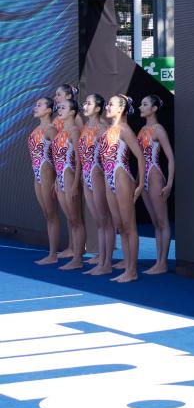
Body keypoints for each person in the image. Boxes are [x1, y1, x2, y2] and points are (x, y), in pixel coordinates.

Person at [98, 94, 145, 283]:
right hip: (109, 178)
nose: (107, 107)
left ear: (121, 109)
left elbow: (140, 157)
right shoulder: (109, 129)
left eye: (111, 104)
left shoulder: (124, 129)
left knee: (128, 226)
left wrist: (140, 184)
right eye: (107, 104)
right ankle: (127, 267)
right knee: (119, 225)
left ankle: (132, 271)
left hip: (121, 176)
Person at [78, 94, 115, 276]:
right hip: (87, 175)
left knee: (105, 220)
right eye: (84, 102)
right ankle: (101, 261)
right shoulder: (86, 126)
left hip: (98, 174)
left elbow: (110, 156)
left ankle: (107, 263)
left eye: (89, 103)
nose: (85, 105)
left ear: (98, 108)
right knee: (99, 222)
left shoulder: (102, 128)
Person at [138, 95, 175, 274]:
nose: (140, 107)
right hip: (144, 177)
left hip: (154, 175)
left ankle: (162, 263)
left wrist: (169, 184)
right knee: (155, 222)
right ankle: (158, 261)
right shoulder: (142, 129)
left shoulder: (158, 130)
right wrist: (138, 182)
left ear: (154, 108)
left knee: (162, 221)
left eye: (145, 104)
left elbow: (171, 158)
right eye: (141, 104)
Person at [52, 99, 85, 270]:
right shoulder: (61, 131)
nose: (59, 109)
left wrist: (75, 184)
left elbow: (79, 160)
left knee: (76, 220)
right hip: (61, 177)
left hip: (70, 176)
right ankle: (74, 255)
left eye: (63, 108)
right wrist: (56, 179)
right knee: (71, 220)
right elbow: (57, 158)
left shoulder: (74, 131)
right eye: (59, 107)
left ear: (72, 112)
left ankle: (78, 259)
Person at [27, 98, 60, 265]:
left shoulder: (51, 130)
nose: (35, 108)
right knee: (47, 214)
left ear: (49, 110)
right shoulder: (36, 129)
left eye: (39, 105)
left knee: (52, 214)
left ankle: (53, 254)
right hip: (37, 175)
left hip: (47, 174)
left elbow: (59, 156)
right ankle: (51, 253)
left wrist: (58, 179)